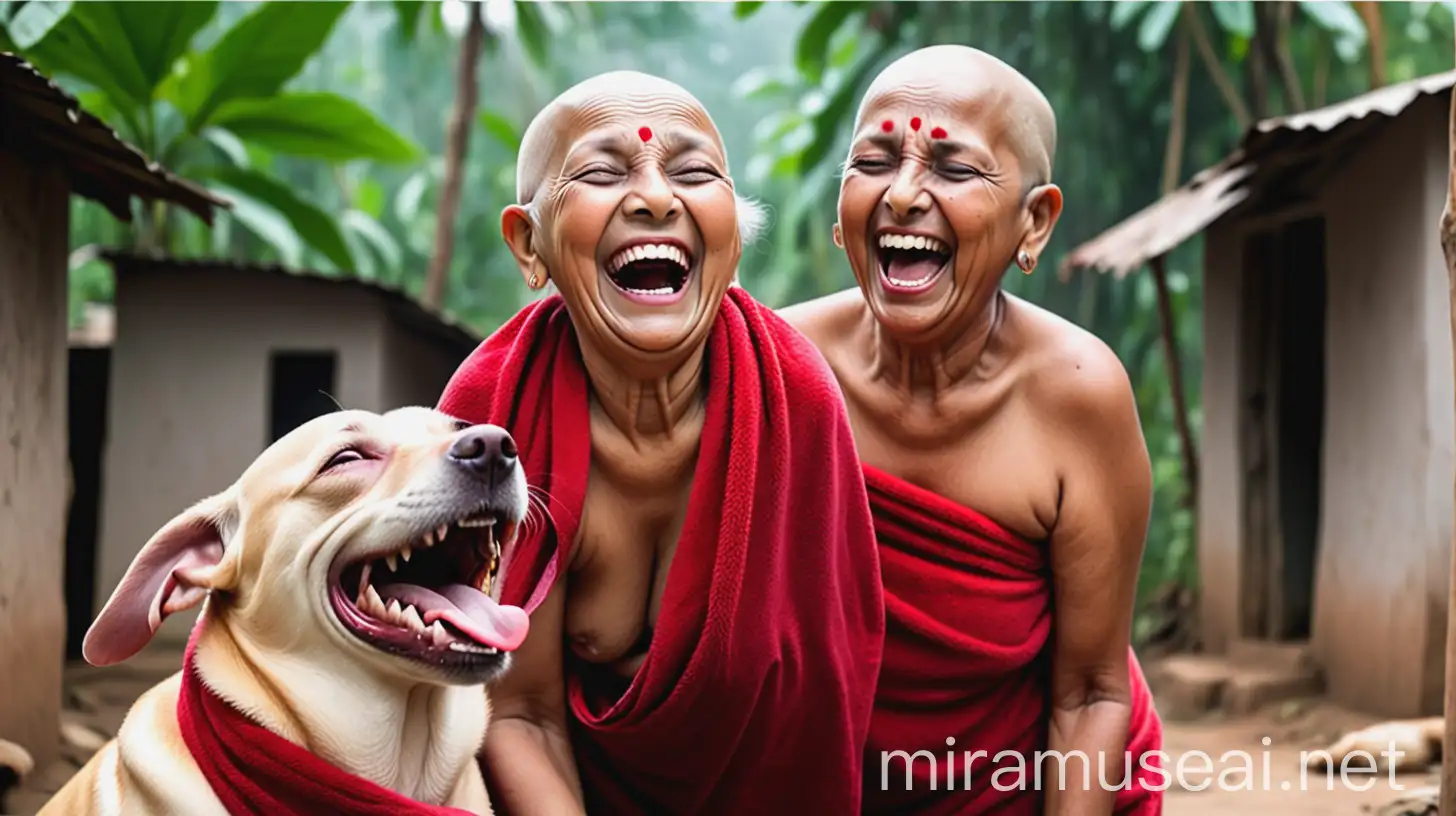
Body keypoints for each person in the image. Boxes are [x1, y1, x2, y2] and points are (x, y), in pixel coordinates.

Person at [435, 70, 885, 815]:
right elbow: (515, 712)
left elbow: (816, 704)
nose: (653, 197)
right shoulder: (494, 415)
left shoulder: (794, 398)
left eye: (694, 172)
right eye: (603, 172)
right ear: (528, 243)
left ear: (733, 239)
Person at [780, 45, 1164, 815]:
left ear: (1035, 222)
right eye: (874, 161)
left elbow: (1090, 693)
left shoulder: (1077, 396)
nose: (904, 194)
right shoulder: (781, 370)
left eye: (955, 170)